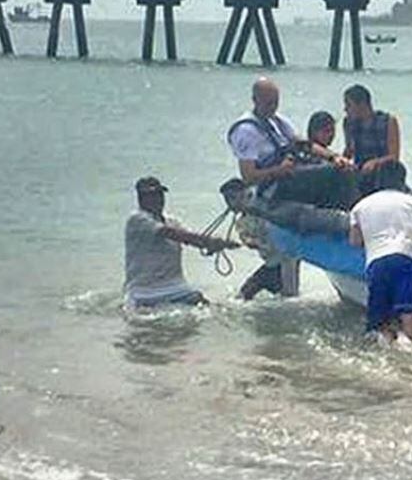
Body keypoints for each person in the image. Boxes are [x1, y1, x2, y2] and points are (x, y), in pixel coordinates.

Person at [347, 162, 412, 349]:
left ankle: (385, 352)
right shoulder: (411, 201)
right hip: (406, 258)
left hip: (376, 263)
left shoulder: (359, 207)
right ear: (402, 181)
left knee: (380, 318)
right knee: (409, 310)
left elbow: (355, 241)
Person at [123, 176, 235, 309]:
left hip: (176, 287)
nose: (157, 199)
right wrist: (208, 241)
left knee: (210, 309)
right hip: (143, 291)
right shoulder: (137, 219)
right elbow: (173, 234)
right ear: (141, 198)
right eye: (151, 195)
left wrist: (218, 245)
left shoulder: (172, 221)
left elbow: (192, 239)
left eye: (159, 194)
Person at [228, 77, 306, 194]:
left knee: (334, 168)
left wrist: (333, 157)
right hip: (271, 186)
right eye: (268, 103)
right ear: (255, 100)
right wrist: (279, 170)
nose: (273, 107)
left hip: (291, 172)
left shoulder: (277, 120)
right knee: (329, 173)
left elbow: (303, 144)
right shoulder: (246, 131)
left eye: (276, 102)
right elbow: (248, 177)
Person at [343, 85, 402, 194]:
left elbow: (394, 157)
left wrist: (375, 162)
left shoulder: (388, 121)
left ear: (362, 104)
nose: (345, 109)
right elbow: (349, 151)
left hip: (383, 172)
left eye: (348, 105)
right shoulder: (349, 123)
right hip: (360, 171)